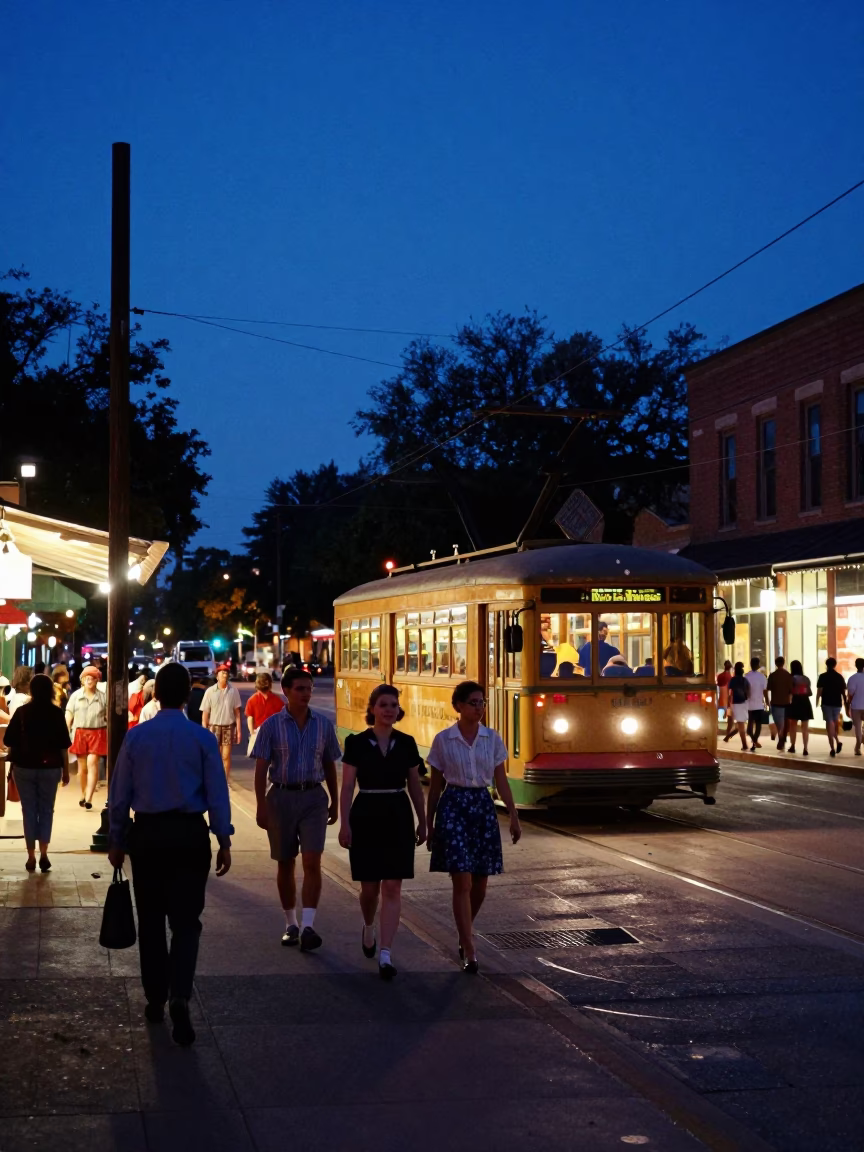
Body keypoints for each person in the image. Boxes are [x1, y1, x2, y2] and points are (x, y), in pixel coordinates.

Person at [108, 662, 233, 1047]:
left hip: (147, 834)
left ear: (155, 694)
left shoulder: (136, 737)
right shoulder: (202, 739)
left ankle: (156, 996)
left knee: (150, 919)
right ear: (187, 696)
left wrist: (116, 838)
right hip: (189, 834)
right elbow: (217, 793)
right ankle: (180, 993)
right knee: (186, 921)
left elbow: (119, 794)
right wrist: (223, 838)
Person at [426, 681, 522, 974]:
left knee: (480, 882)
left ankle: (463, 931)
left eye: (482, 703)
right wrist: (428, 824)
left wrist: (514, 815)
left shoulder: (492, 739)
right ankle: (469, 948)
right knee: (462, 881)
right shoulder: (444, 740)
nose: (479, 708)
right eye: (473, 703)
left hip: (482, 806)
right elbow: (435, 786)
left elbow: (500, 779)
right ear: (457, 706)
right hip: (453, 805)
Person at [338, 685, 427, 980]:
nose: (389, 710)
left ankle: (386, 953)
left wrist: (423, 819)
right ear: (373, 709)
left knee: (392, 886)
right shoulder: (357, 743)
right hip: (366, 813)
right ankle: (368, 925)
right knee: (369, 888)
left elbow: (415, 784)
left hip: (397, 813)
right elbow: (348, 786)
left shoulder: (407, 743)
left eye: (393, 705)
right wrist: (345, 822)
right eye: (383, 705)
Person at [252, 667, 341, 952]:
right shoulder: (271, 726)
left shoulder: (323, 725)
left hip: (313, 797)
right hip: (281, 798)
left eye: (309, 688)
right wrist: (261, 806)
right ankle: (291, 923)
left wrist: (335, 802)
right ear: (286, 691)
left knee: (312, 861)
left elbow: (329, 765)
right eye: (300, 688)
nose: (306, 693)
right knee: (285, 861)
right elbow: (261, 769)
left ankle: (309, 925)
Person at [3, 673, 71, 873]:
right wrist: (66, 771)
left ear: (31, 690)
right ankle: (44, 854)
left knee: (29, 810)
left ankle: (31, 856)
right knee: (47, 810)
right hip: (50, 768)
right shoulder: (56, 713)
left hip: (24, 768)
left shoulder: (22, 712)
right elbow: (63, 746)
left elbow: (8, 740)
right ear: (51, 690)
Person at [65, 665, 107, 809]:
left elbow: (108, 715)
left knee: (92, 762)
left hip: (98, 732)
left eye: (92, 678)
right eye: (86, 678)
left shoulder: (103, 697)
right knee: (82, 769)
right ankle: (83, 793)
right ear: (82, 680)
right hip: (80, 733)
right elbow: (69, 713)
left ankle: (89, 797)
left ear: (97, 680)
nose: (89, 680)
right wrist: (66, 729)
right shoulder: (76, 696)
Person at [201, 665, 242, 778]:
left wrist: (238, 731)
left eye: (226, 672)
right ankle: (214, 778)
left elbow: (237, 713)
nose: (224, 674)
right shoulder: (210, 691)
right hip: (213, 727)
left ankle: (225, 780)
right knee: (215, 755)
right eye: (222, 672)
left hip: (228, 726)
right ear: (217, 676)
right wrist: (204, 729)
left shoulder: (233, 691)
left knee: (226, 756)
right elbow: (205, 713)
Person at [245, 672, 284, 756]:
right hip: (270, 734)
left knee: (262, 761)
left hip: (265, 734)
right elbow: (282, 719)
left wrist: (252, 733)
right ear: (270, 684)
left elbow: (250, 718)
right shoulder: (277, 699)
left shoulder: (252, 700)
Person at [816, 657, 848, 757]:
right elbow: (843, 693)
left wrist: (817, 701)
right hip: (837, 704)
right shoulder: (839, 677)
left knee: (829, 725)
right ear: (835, 665)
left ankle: (833, 747)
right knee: (833, 724)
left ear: (826, 665)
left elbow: (819, 691)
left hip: (826, 703)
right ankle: (837, 742)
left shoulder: (822, 676)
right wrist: (846, 705)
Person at [766, 656, 794, 751]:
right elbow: (791, 691)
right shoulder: (788, 675)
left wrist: (767, 701)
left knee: (779, 723)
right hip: (786, 702)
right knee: (785, 723)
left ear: (776, 664)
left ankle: (781, 737)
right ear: (784, 663)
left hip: (776, 702)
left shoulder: (772, 675)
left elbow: (768, 689)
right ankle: (782, 738)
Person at [786, 659, 813, 755]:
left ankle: (793, 746)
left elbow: (789, 692)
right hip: (805, 702)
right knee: (805, 727)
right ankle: (805, 748)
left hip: (795, 702)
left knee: (793, 725)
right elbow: (810, 693)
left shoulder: (791, 678)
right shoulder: (806, 678)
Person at [721, 661, 750, 751]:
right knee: (741, 724)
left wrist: (729, 704)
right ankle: (744, 744)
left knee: (739, 724)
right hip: (744, 703)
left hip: (735, 703)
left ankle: (728, 737)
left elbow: (730, 694)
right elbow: (748, 692)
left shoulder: (733, 680)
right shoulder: (745, 680)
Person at [744, 657, 768, 751]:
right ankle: (755, 740)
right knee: (758, 724)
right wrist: (767, 702)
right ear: (758, 665)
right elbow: (765, 691)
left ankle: (754, 741)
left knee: (750, 724)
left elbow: (744, 690)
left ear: (750, 664)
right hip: (759, 704)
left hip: (748, 704)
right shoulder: (762, 677)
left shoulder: (746, 676)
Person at [846, 657, 864, 755]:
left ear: (856, 665)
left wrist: (848, 705)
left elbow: (850, 694)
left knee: (858, 728)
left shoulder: (852, 678)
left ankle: (857, 748)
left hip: (856, 706)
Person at [716, 660, 734, 739]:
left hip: (721, 697)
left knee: (716, 713)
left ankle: (716, 728)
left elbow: (719, 685)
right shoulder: (731, 677)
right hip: (729, 698)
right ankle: (728, 732)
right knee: (730, 717)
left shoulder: (720, 676)